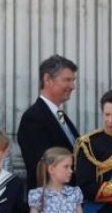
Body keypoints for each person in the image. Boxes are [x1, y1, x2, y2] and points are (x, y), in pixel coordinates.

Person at [18, 54, 80, 190]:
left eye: (73, 80)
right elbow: (42, 165)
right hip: (49, 203)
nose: (73, 86)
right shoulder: (33, 118)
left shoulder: (59, 114)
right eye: (67, 80)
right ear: (47, 79)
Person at [28, 147, 83, 213]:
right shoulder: (38, 195)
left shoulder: (74, 193)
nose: (71, 171)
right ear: (51, 169)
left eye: (71, 167)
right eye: (66, 167)